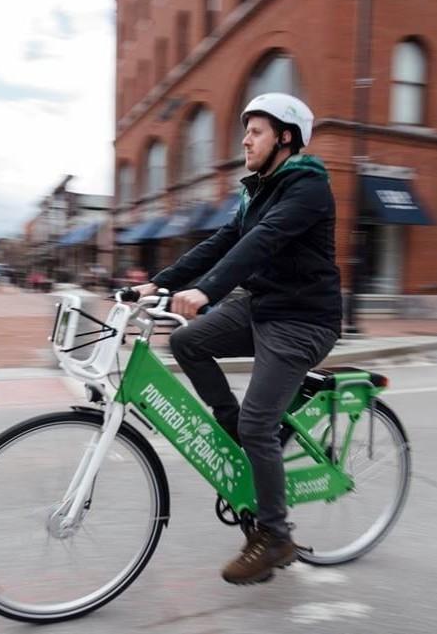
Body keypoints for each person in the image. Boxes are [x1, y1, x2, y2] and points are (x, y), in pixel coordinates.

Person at [133, 93, 342, 585]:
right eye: (245, 129)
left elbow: (262, 241)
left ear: (285, 138)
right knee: (187, 343)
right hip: (261, 306)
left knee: (259, 422)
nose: (245, 138)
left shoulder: (307, 188)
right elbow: (223, 241)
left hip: (303, 319)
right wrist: (159, 282)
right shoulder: (256, 190)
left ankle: (274, 536)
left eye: (256, 130)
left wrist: (207, 290)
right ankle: (239, 435)